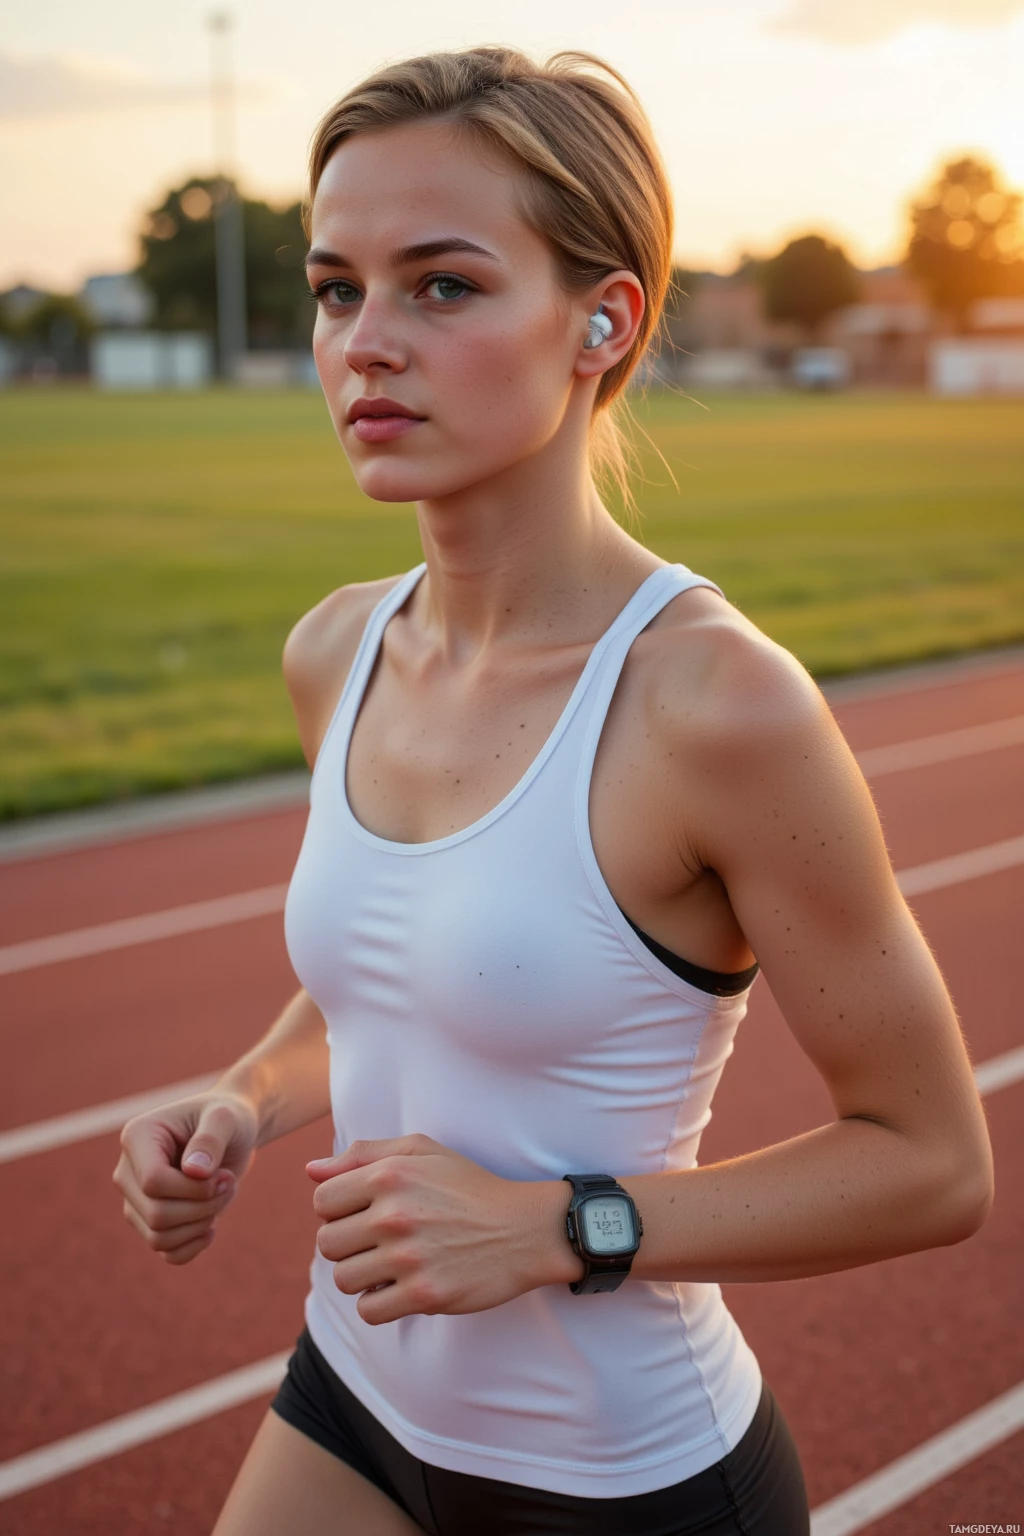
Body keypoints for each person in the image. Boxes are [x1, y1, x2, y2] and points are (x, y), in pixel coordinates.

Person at [113, 45, 995, 1536]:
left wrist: (555, 1229)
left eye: (442, 285)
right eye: (339, 289)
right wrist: (242, 1099)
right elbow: (390, 983)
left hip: (626, 1476)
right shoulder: (337, 651)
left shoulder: (716, 704)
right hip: (353, 1399)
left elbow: (930, 1160)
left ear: (604, 317)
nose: (365, 344)